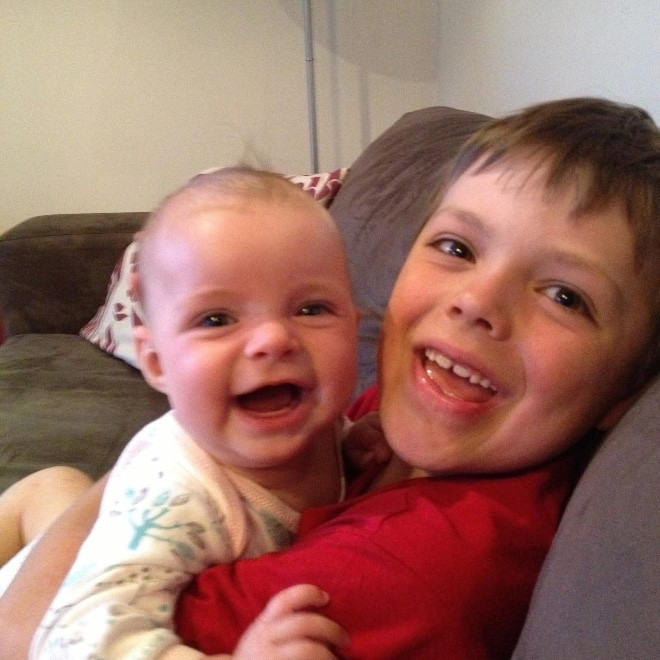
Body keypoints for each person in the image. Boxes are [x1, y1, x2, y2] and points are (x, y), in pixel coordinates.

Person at [1, 97, 658, 659]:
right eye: (457, 247)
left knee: (54, 491)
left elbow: (34, 634)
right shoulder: (411, 411)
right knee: (52, 484)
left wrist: (132, 476)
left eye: (565, 296)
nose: (476, 302)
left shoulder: (405, 570)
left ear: (625, 390)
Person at [23, 167, 360, 658]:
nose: (273, 339)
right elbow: (75, 642)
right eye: (216, 318)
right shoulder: (175, 498)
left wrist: (357, 443)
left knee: (58, 487)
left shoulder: (330, 429)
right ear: (157, 362)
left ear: (356, 324)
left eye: (311, 309)